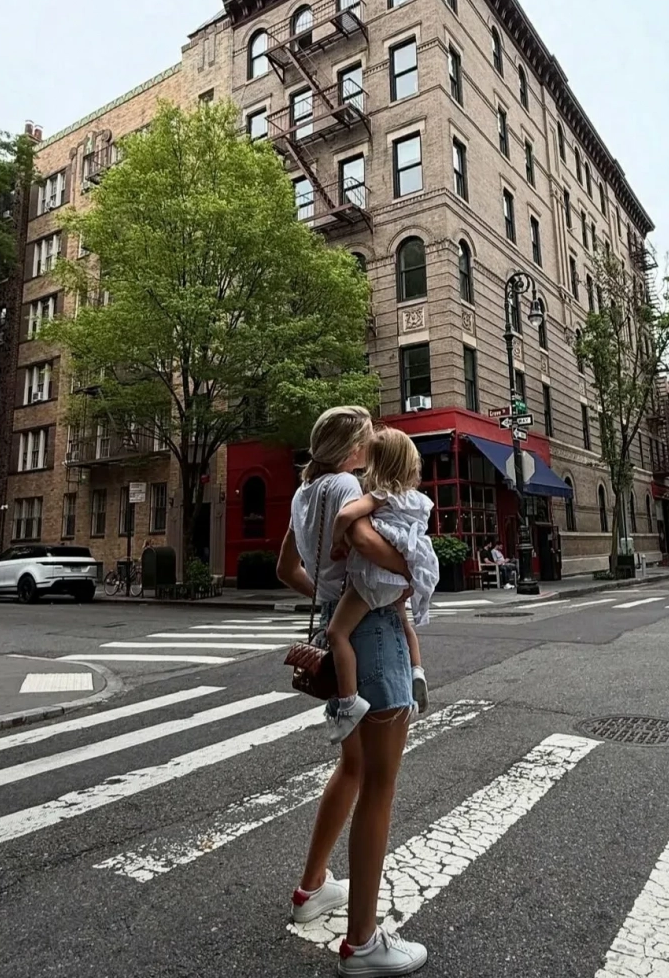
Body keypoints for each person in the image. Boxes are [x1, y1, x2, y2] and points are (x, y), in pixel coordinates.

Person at [277, 406, 428, 976]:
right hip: (377, 632)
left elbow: (286, 567)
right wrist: (413, 568)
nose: (369, 450)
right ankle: (363, 943)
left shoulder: (303, 492)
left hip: (338, 628)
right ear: (352, 449)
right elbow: (363, 538)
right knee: (380, 784)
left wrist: (329, 595)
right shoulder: (346, 485)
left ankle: (311, 888)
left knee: (354, 768)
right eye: (366, 440)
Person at [326, 427, 438, 742]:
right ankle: (417, 671)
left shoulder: (380, 495)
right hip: (402, 576)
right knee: (404, 622)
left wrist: (337, 543)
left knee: (337, 633)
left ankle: (348, 704)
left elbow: (344, 516)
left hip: (374, 577)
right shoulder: (416, 499)